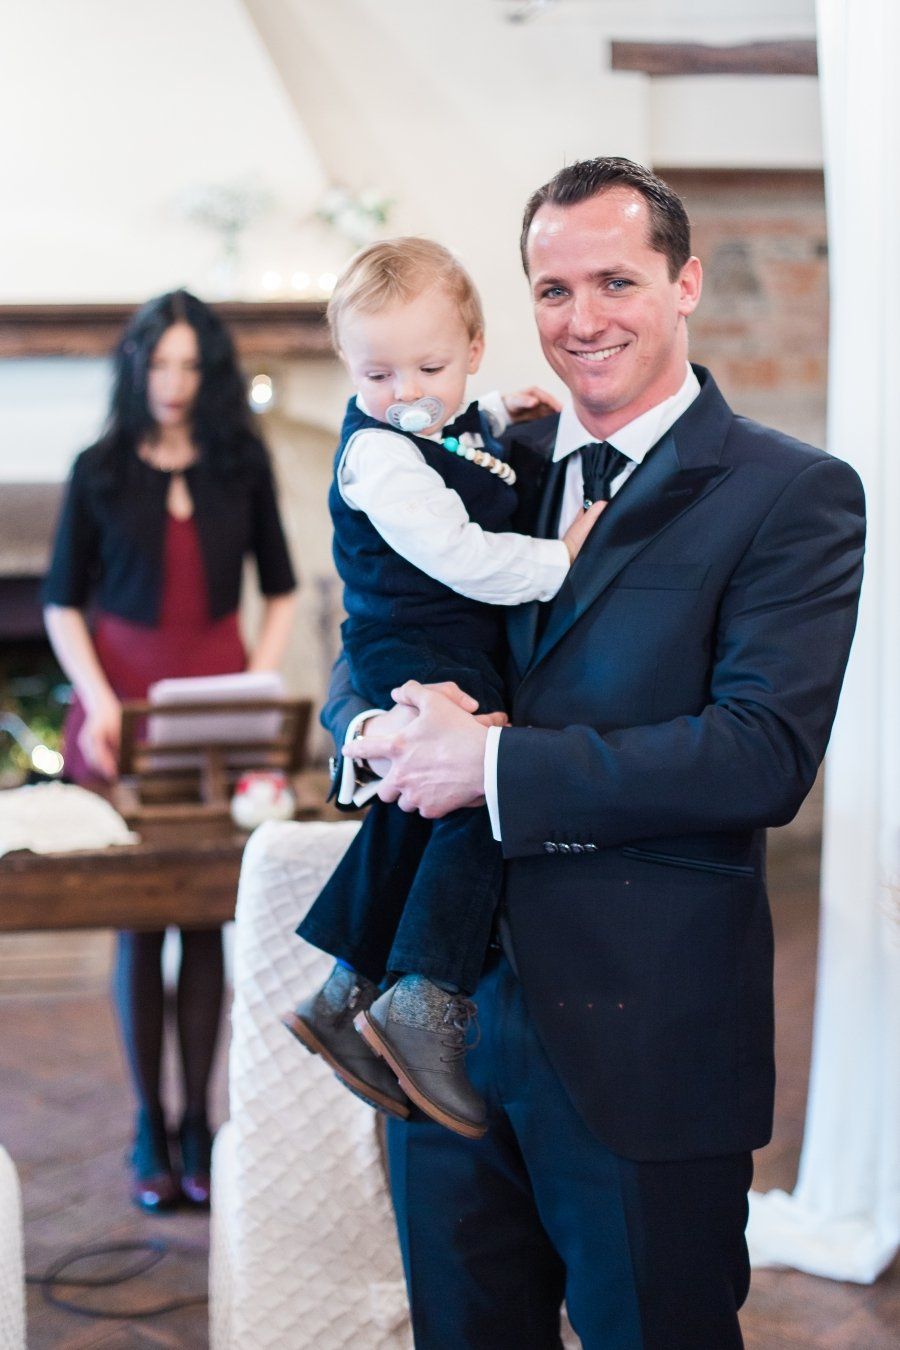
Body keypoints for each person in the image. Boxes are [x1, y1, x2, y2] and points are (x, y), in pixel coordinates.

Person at [325, 159, 866, 1349]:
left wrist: (497, 770)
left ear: (685, 286)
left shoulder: (792, 494)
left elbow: (761, 753)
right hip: (443, 1025)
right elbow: (377, 623)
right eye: (552, 288)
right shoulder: (475, 453)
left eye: (615, 280)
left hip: (646, 1037)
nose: (583, 319)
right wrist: (364, 731)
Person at [284, 237, 603, 1138]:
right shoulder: (379, 457)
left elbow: (454, 434)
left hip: (439, 642)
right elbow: (458, 553)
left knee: (423, 810)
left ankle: (345, 994)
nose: (407, 394)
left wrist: (497, 409)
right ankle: (424, 1000)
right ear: (348, 367)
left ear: (471, 350)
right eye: (376, 375)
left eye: (430, 366)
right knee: (477, 799)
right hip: (413, 644)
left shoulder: (433, 421)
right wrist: (558, 559)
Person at [43, 289, 297, 1212]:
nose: (174, 383)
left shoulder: (241, 464)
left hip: (216, 708)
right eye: (159, 365)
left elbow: (279, 589)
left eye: (191, 366)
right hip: (122, 710)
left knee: (203, 915)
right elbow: (62, 601)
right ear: (135, 367)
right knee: (139, 917)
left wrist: (254, 683)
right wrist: (100, 701)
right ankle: (151, 1121)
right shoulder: (99, 468)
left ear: (212, 373)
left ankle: (202, 1124)